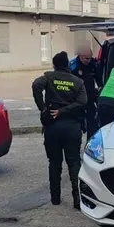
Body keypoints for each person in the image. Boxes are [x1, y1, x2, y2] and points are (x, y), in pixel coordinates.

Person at [32, 51, 87, 208]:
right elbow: (83, 102)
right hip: (72, 126)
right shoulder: (77, 81)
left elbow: (36, 85)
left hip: (52, 127)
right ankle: (77, 200)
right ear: (67, 65)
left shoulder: (49, 77)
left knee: (54, 162)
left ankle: (55, 198)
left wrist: (42, 108)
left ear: (55, 65)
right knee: (74, 162)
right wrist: (65, 111)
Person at [69, 44, 101, 136]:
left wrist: (99, 88)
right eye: (86, 58)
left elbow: (99, 80)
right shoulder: (73, 66)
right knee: (77, 124)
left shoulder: (93, 64)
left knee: (93, 123)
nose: (89, 60)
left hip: (90, 97)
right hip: (77, 99)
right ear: (80, 56)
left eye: (90, 58)